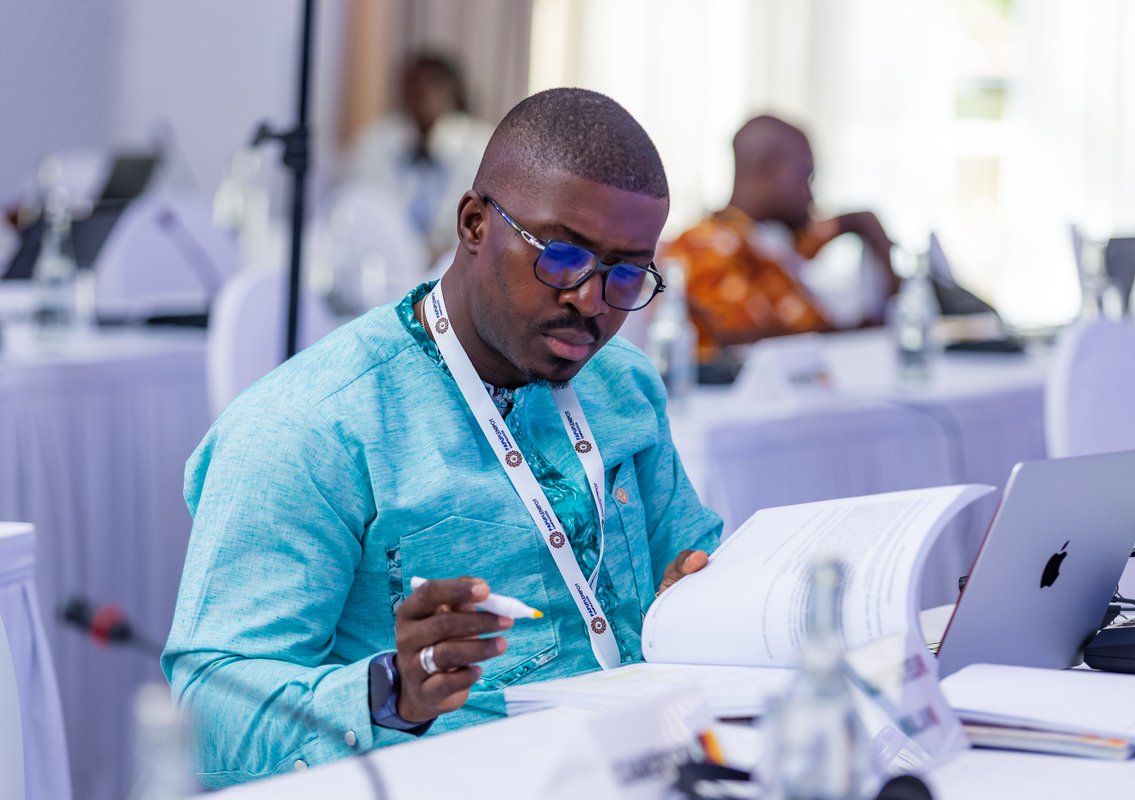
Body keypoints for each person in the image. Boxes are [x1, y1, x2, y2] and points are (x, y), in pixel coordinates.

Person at [163, 88, 722, 788]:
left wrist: (707, 600)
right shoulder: (309, 428)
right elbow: (206, 712)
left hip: (645, 763)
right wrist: (390, 692)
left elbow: (694, 562)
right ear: (474, 223)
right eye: (561, 257)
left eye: (626, 274)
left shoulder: (622, 385)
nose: (590, 301)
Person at [664, 115, 899, 367]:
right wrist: (860, 334)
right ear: (770, 168)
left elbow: (842, 226)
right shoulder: (704, 247)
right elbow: (746, 345)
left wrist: (865, 225)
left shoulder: (770, 240)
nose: (811, 195)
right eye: (806, 177)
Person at [347, 52, 493, 264]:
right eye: (415, 85)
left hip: (456, 263)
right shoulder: (376, 143)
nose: (423, 93)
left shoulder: (480, 147)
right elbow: (363, 211)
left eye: (434, 84)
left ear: (453, 92)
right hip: (386, 264)